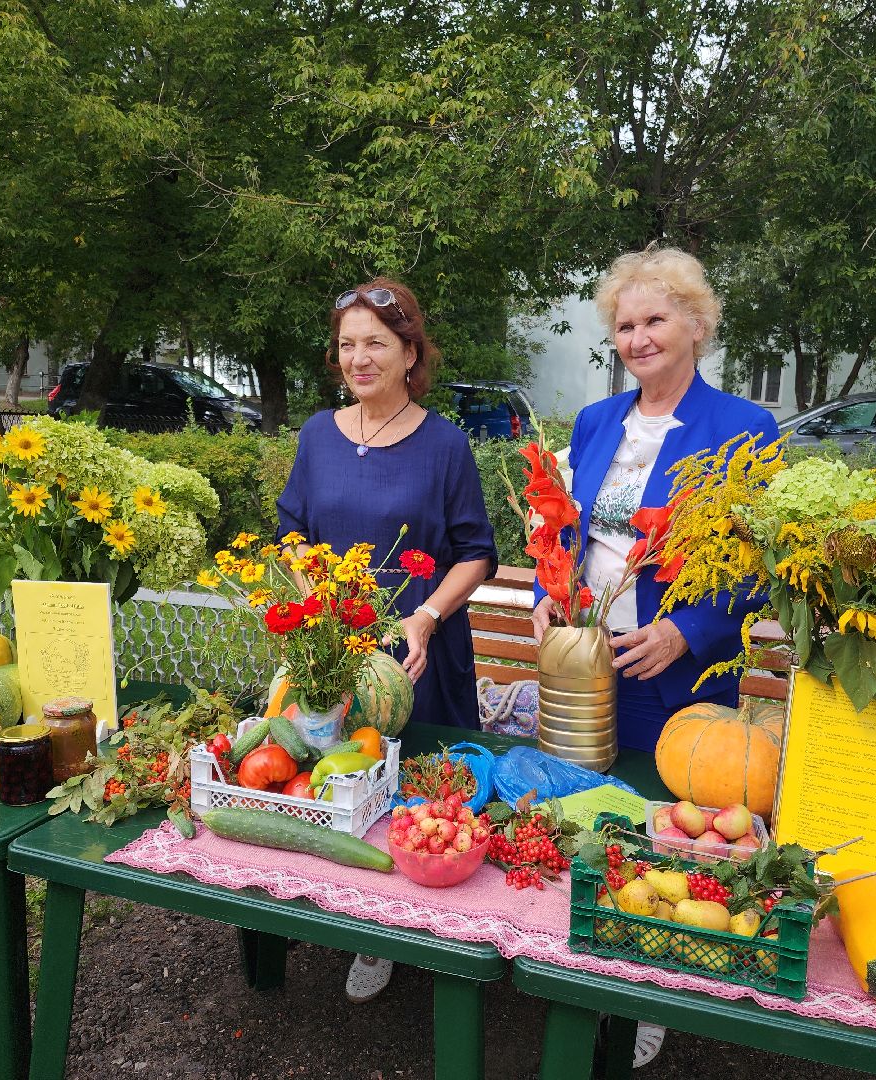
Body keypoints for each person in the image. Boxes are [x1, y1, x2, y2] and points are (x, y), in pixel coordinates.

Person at [531, 246, 779, 1067]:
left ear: (697, 326)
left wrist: (688, 631)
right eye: (625, 325)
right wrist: (545, 601)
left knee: (667, 831)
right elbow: (563, 530)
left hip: (676, 675)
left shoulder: (745, 429)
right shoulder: (597, 423)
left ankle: (654, 981)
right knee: (588, 810)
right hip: (585, 667)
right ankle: (578, 962)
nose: (637, 338)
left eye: (655, 320)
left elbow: (755, 561)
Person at [276, 277, 497, 1004]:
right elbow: (292, 534)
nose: (359, 358)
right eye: (348, 344)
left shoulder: (445, 444)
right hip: (337, 661)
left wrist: (427, 614)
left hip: (418, 658)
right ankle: (371, 933)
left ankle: (440, 935)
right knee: (343, 789)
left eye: (377, 342)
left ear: (410, 352)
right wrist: (314, 600)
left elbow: (477, 552)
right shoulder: (316, 435)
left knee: (425, 805)